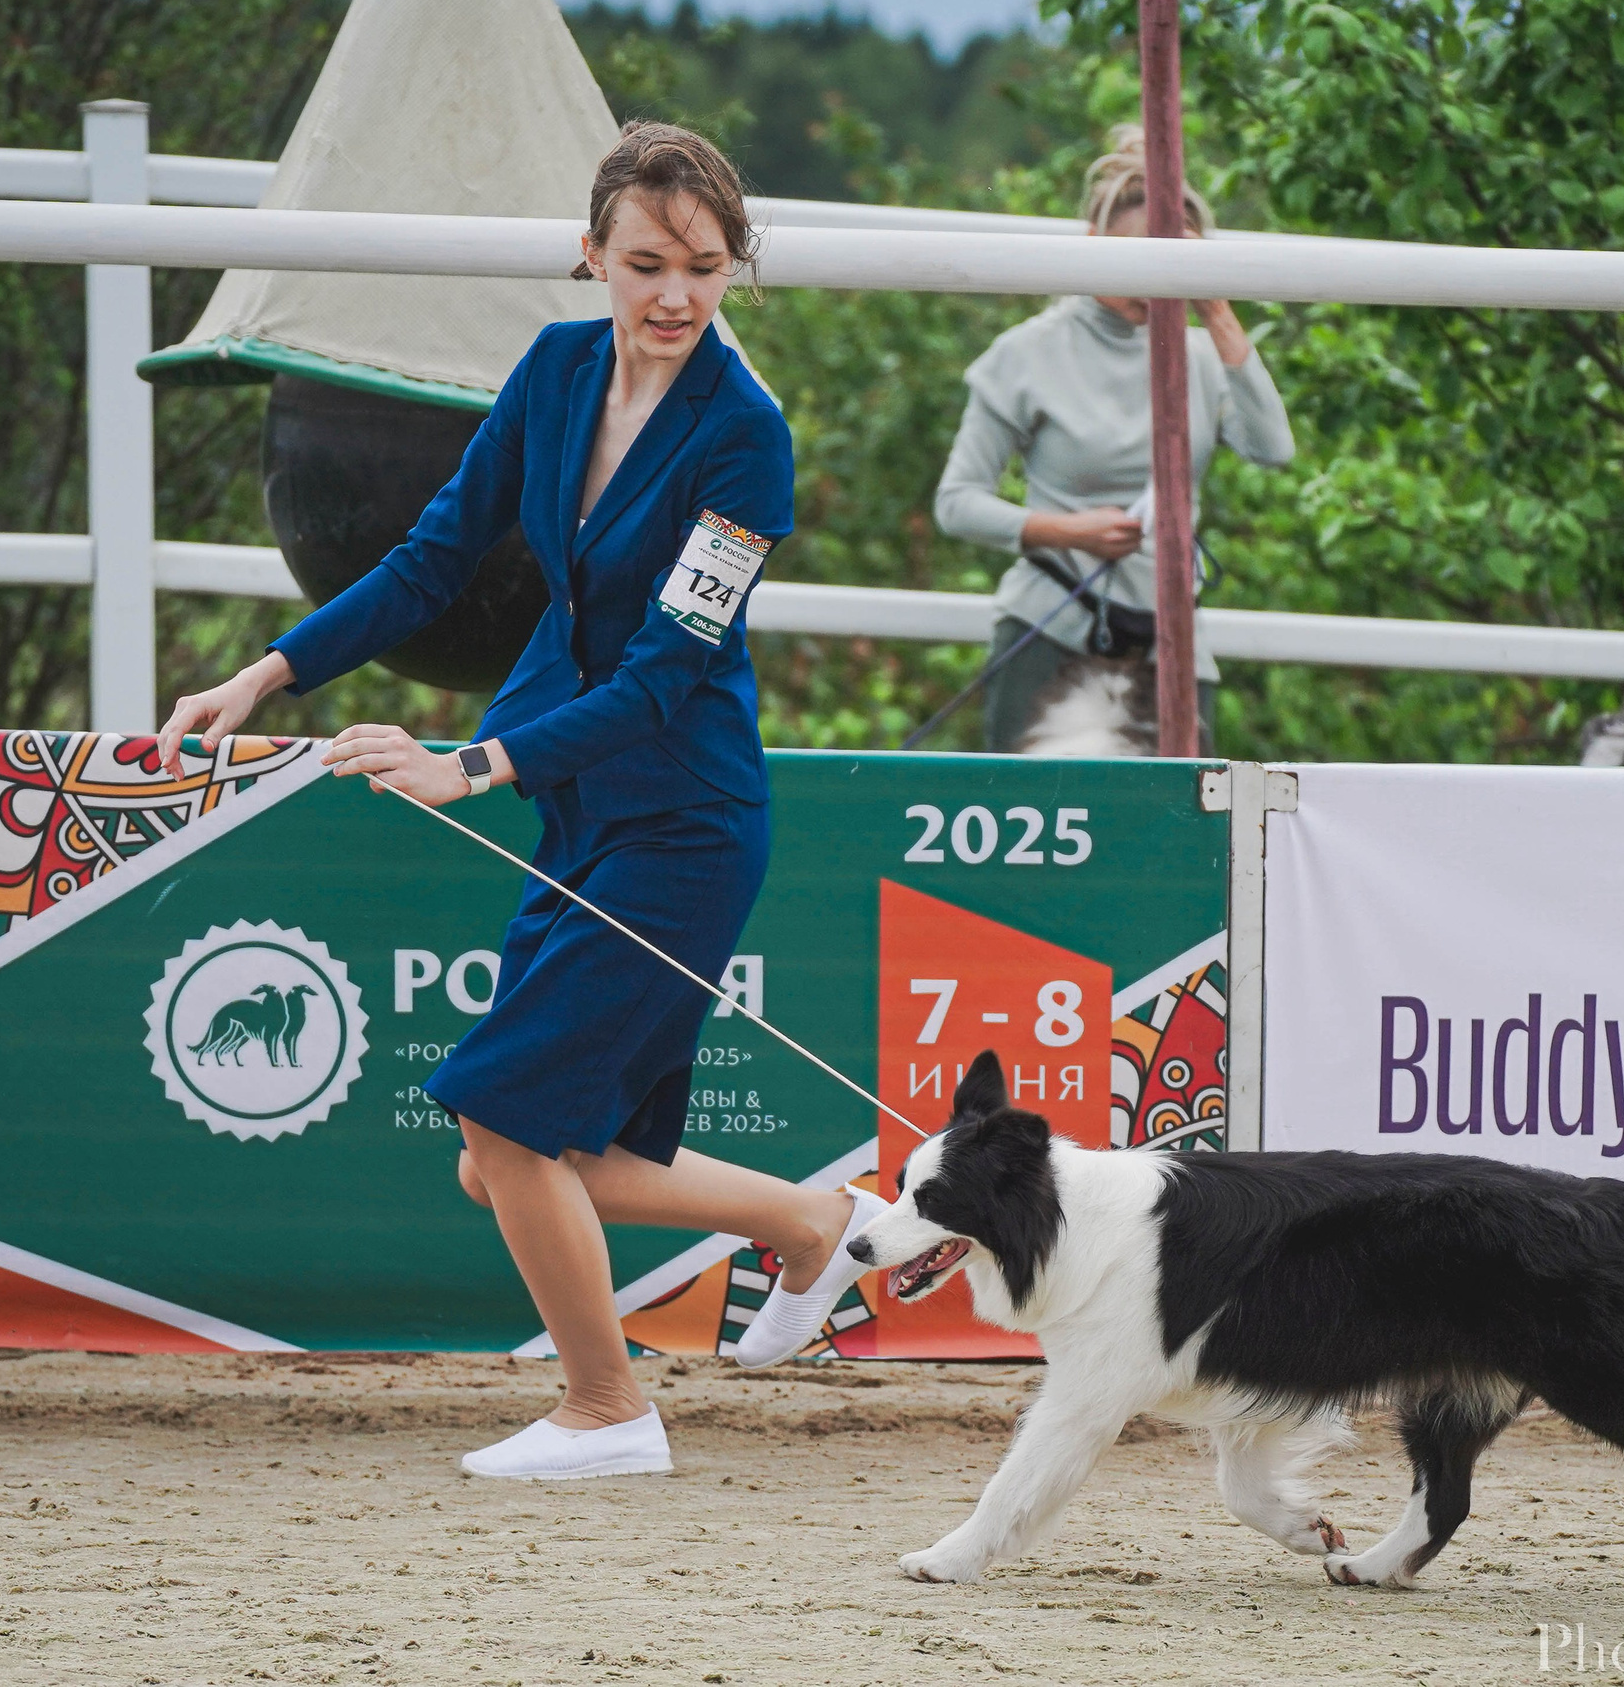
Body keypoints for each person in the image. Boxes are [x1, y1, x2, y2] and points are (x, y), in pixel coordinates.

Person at [155, 123, 887, 1480]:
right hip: (580, 811)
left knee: (506, 1120)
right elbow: (430, 559)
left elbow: (665, 674)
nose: (675, 295)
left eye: (706, 268)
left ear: (735, 267)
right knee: (503, 1154)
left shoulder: (747, 439)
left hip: (685, 820)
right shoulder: (553, 371)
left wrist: (472, 763)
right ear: (591, 254)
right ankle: (816, 1224)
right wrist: (266, 672)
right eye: (647, 263)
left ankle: (609, 1409)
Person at [934, 124, 1298, 752]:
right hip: (1052, 631)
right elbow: (956, 502)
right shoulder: (1026, 352)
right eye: (1133, 259)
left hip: (1174, 644)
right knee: (1031, 817)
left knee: (1182, 819)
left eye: (1168, 262)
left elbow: (1274, 449)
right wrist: (1069, 532)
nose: (1148, 281)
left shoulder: (1200, 355)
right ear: (1092, 246)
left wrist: (1216, 309)